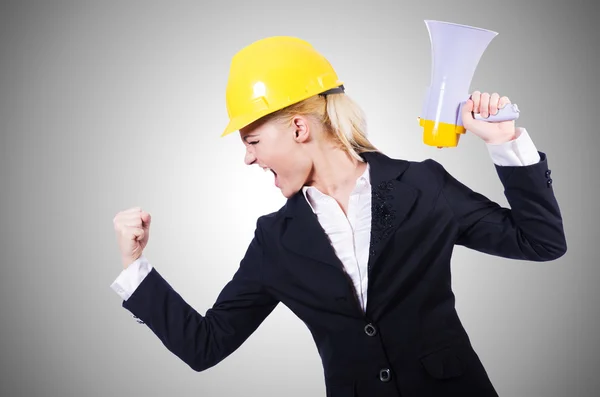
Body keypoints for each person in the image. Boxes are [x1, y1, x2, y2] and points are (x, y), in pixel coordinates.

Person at [110, 36, 566, 397]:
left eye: (251, 141)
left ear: (298, 127)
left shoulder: (422, 186)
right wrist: (135, 267)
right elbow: (205, 345)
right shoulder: (275, 240)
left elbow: (540, 242)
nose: (248, 159)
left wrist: (504, 142)